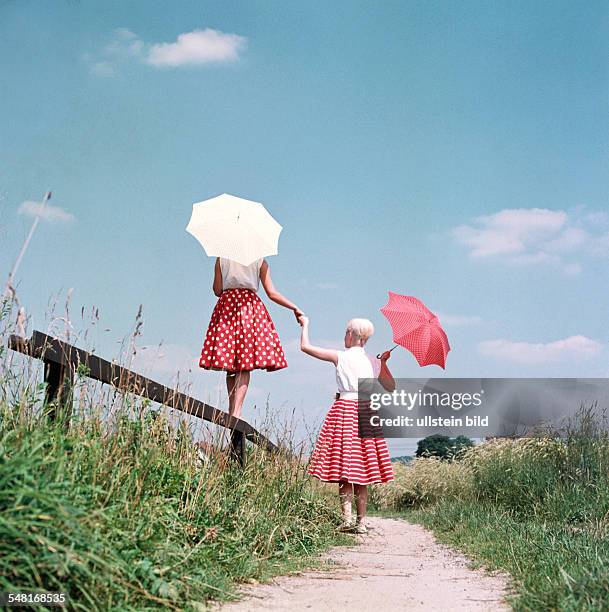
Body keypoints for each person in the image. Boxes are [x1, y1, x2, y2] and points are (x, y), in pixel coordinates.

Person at [298, 315, 395, 534]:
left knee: (344, 467)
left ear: (352, 335)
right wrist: (383, 363)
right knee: (362, 469)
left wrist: (305, 324)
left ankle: (347, 520)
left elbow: (305, 347)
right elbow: (390, 386)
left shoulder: (340, 356)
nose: (345, 336)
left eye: (346, 332)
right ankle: (361, 523)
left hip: (345, 410)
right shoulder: (373, 361)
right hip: (366, 410)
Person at [199, 257, 304, 418]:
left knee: (230, 363)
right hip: (249, 308)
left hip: (227, 307)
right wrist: (294, 307)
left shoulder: (221, 259)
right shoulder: (259, 260)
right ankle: (237, 410)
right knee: (244, 364)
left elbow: (217, 290)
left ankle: (231, 407)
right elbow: (272, 293)